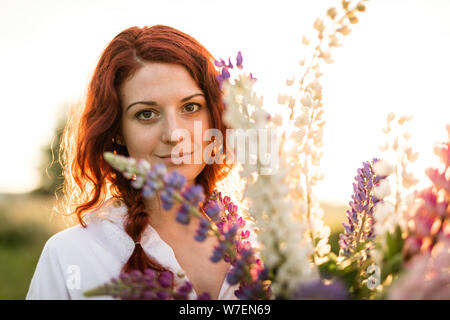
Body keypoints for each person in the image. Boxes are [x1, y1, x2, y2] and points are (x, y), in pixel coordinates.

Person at [26, 24, 243, 300]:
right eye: (146, 114)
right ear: (117, 129)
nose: (174, 134)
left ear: (214, 115)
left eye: (190, 107)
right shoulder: (69, 255)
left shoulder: (263, 252)